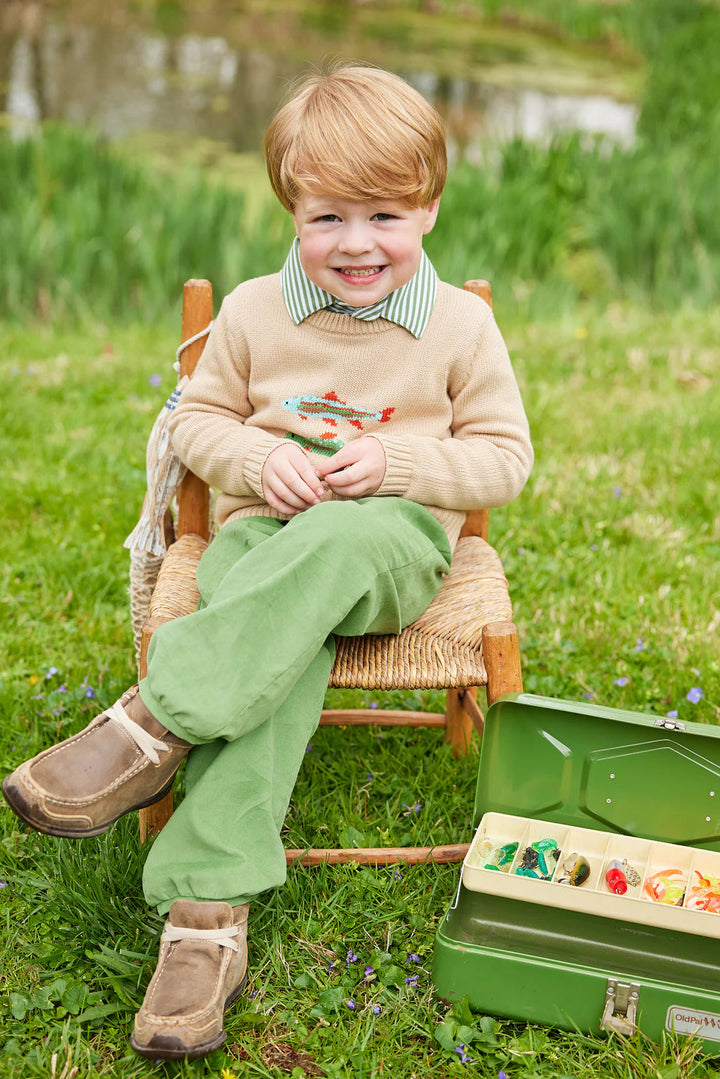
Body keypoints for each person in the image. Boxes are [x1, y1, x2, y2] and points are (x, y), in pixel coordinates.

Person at [2, 65, 533, 1060]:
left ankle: (154, 718)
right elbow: (196, 421)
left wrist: (406, 462)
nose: (357, 242)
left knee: (335, 543)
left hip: (393, 544)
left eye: (384, 213)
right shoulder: (251, 311)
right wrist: (257, 456)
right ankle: (206, 916)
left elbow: (507, 457)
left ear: (429, 207)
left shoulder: (461, 327)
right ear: (292, 206)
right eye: (328, 216)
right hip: (261, 538)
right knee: (278, 639)